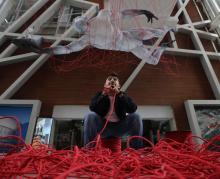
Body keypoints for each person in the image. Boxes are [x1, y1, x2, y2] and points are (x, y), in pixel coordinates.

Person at [83, 72, 143, 149]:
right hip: (103, 127)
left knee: (136, 116)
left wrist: (119, 94)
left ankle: (136, 149)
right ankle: (89, 149)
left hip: (119, 127)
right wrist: (103, 95)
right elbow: (92, 108)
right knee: (89, 115)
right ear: (105, 85)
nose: (112, 80)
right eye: (109, 79)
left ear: (119, 86)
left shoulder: (123, 95)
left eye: (115, 79)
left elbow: (133, 108)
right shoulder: (99, 95)